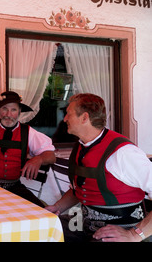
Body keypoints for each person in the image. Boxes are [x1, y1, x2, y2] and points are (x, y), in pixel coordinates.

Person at [45, 93, 152, 242]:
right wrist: (57, 207)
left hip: (120, 232)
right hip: (84, 225)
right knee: (44, 230)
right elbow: (81, 189)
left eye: (68, 114)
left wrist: (134, 235)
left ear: (84, 118)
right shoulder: (80, 146)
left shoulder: (123, 153)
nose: (64, 119)